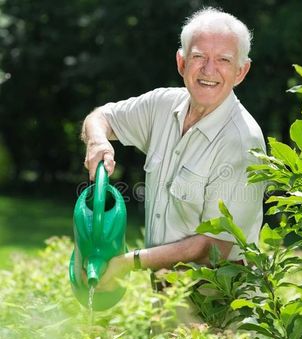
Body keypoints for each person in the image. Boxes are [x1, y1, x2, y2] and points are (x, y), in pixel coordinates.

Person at [82, 7, 266, 295]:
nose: (208, 69)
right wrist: (97, 141)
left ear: (241, 72)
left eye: (223, 60)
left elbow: (213, 247)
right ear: (182, 62)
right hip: (166, 297)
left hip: (218, 305)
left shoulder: (242, 141)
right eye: (199, 57)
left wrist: (129, 262)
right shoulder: (162, 105)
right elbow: (101, 117)